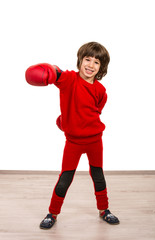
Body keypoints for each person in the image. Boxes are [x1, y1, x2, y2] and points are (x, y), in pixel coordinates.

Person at [25, 42, 120, 229]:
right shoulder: (69, 79)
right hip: (73, 142)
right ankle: (52, 213)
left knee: (98, 176)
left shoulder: (101, 91)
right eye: (88, 59)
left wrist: (71, 119)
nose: (91, 65)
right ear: (80, 60)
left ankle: (104, 210)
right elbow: (56, 73)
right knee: (65, 179)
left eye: (97, 62)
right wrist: (49, 70)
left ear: (102, 67)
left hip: (95, 140)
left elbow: (95, 112)